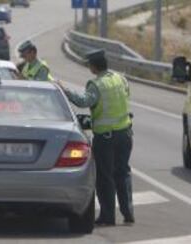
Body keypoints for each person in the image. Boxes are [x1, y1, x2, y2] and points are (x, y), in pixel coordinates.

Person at [58, 49, 135, 226]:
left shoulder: (96, 85)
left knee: (105, 177)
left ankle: (108, 216)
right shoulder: (120, 78)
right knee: (123, 173)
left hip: (106, 138)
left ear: (93, 67)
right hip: (125, 134)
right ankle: (128, 212)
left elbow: (84, 101)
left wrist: (65, 90)